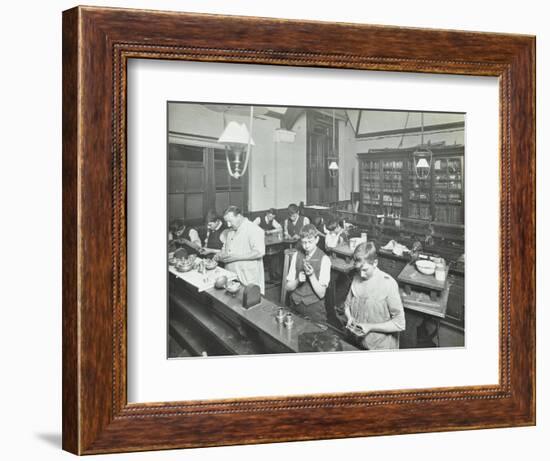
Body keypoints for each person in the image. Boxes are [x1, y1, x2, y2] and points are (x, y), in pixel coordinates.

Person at [342, 241, 405, 350]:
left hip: (380, 346)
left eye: (365, 270)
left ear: (375, 263)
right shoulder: (356, 278)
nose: (361, 274)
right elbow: (347, 306)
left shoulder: (388, 284)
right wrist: (349, 317)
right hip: (357, 342)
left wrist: (370, 327)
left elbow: (399, 324)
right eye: (358, 270)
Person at [285, 224, 332, 324]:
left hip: (314, 308)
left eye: (310, 242)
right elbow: (288, 287)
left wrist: (311, 275)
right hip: (295, 304)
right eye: (303, 242)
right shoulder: (297, 255)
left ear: (317, 239)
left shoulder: (324, 259)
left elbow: (321, 294)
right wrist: (297, 280)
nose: (306, 246)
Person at [215, 205, 266, 294]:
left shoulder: (254, 229)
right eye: (226, 222)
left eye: (230, 221)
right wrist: (220, 254)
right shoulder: (231, 231)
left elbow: (259, 252)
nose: (228, 225)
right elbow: (225, 247)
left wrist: (236, 257)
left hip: (247, 278)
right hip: (231, 276)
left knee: (248, 302)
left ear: (239, 216)